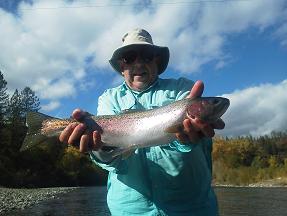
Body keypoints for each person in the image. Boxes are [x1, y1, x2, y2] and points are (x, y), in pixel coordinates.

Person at [59, 28, 225, 216]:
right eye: (129, 57)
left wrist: (185, 140)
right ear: (122, 67)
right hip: (130, 210)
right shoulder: (108, 98)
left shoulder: (183, 89)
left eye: (146, 56)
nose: (138, 63)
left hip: (192, 208)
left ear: (157, 60)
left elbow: (191, 139)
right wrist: (98, 148)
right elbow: (111, 158)